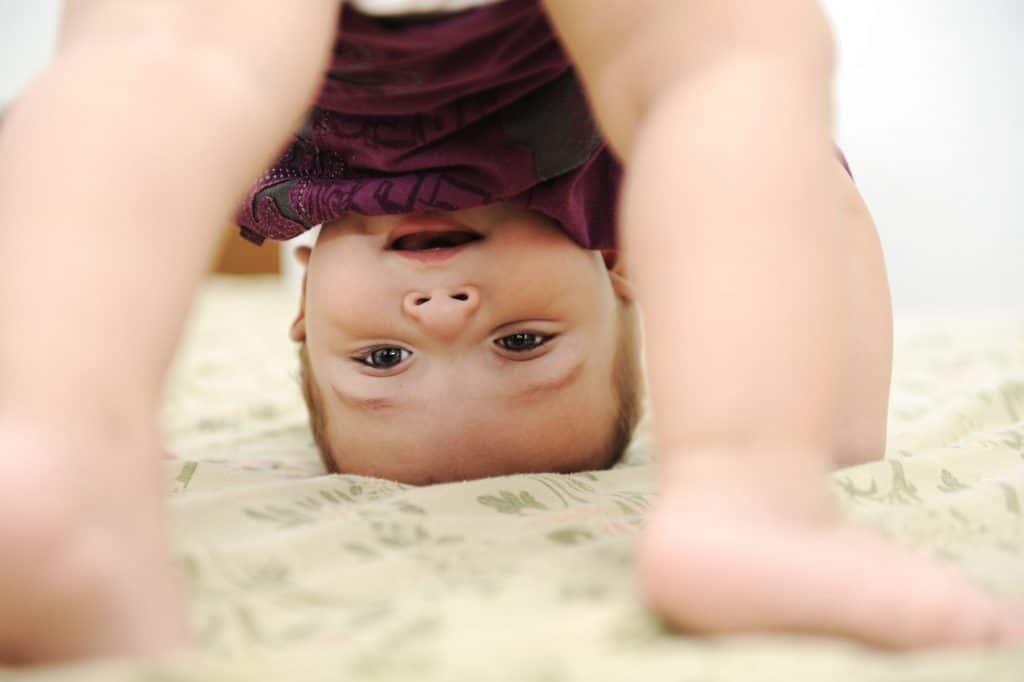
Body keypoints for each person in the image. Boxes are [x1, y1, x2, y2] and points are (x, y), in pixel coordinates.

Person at [0, 0, 1020, 666]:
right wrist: (828, 449)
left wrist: (78, 357)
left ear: (303, 310)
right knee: (720, 67)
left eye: (383, 360)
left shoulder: (240, 176)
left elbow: (64, 196)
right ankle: (749, 494)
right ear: (623, 269)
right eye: (524, 343)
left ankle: (53, 449)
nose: (444, 315)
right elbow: (811, 202)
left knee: (161, 56)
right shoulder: (619, 168)